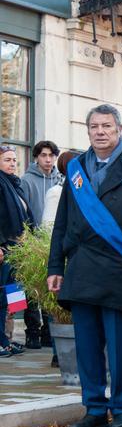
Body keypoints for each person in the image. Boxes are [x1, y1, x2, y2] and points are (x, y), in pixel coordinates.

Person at [47, 104, 122, 427]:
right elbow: (62, 221)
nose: (100, 132)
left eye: (107, 126)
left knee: (120, 344)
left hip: (120, 267)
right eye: (94, 126)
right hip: (81, 267)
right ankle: (94, 407)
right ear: (88, 131)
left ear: (119, 129)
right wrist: (56, 265)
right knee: (86, 345)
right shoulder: (78, 168)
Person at [21, 140, 61, 349]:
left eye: (51, 155)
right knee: (31, 290)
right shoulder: (26, 180)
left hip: (54, 243)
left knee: (50, 288)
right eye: (43, 155)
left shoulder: (60, 179)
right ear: (36, 157)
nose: (48, 159)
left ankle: (48, 331)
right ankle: (32, 331)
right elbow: (24, 211)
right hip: (33, 241)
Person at [0, 146, 34, 358]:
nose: (12, 163)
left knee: (15, 297)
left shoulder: (14, 184)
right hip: (5, 248)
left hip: (18, 249)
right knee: (2, 297)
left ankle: (7, 340)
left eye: (14, 160)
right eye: (7, 160)